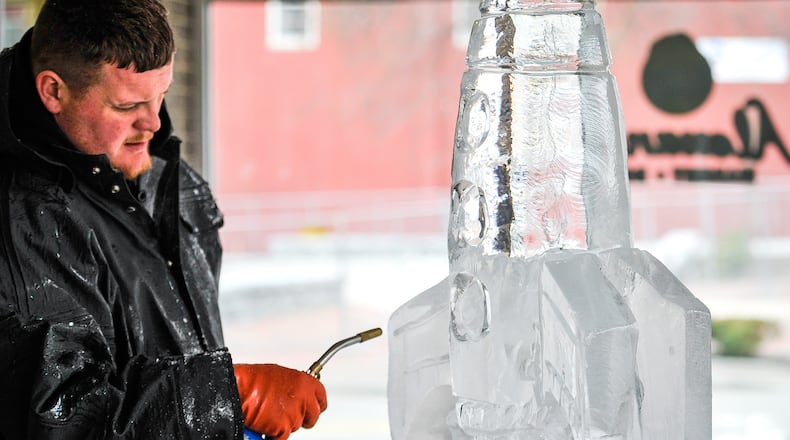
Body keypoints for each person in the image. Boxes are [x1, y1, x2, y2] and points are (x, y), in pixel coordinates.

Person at [0, 0, 327, 438]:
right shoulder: (22, 218)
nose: (154, 123)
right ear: (54, 92)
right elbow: (65, 420)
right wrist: (223, 396)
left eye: (161, 96)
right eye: (128, 105)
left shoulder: (163, 173)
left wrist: (227, 412)